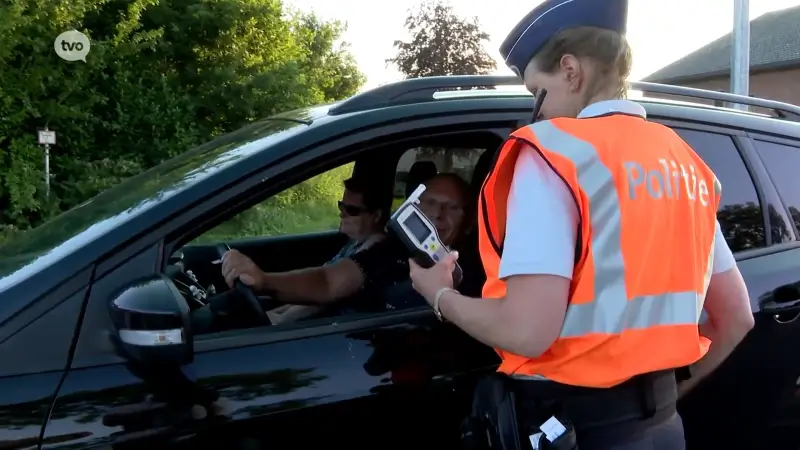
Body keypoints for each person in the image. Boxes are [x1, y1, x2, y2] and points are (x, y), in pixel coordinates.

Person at [407, 1, 755, 449]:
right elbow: (736, 319)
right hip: (662, 429)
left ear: (571, 70)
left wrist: (439, 294)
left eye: (538, 92)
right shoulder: (684, 162)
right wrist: (659, 406)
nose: (537, 113)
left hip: (575, 429)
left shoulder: (553, 155)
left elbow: (526, 331)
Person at [221, 172, 480, 320]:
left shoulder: (476, 272)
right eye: (430, 202)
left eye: (452, 207)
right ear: (413, 207)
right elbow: (329, 281)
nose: (436, 214)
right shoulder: (390, 248)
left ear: (468, 223)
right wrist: (264, 280)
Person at [267, 177, 388, 323]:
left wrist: (278, 318)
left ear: (376, 216)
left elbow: (325, 293)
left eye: (351, 210)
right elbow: (313, 293)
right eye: (341, 206)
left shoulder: (375, 251)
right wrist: (274, 313)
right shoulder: (355, 242)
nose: (342, 214)